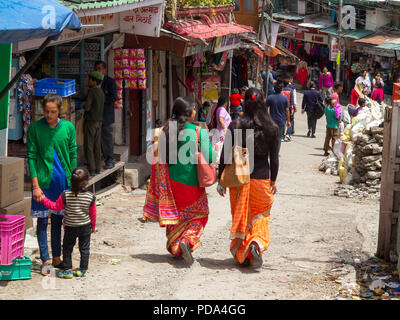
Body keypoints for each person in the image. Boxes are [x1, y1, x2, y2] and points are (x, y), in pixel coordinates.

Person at [143, 97, 217, 265]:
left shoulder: (164, 130)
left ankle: (176, 245)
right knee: (200, 214)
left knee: (175, 216)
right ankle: (187, 240)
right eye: (194, 109)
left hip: (169, 185)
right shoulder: (198, 132)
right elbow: (211, 156)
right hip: (191, 184)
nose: (196, 112)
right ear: (188, 114)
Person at [216, 88, 279, 268]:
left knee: (242, 215)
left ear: (244, 102)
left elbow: (226, 155)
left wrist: (221, 179)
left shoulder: (235, 125)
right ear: (263, 103)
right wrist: (273, 180)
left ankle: (244, 252)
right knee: (260, 215)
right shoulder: (273, 128)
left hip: (238, 180)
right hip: (261, 179)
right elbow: (273, 159)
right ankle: (256, 243)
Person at [26, 93, 77, 275]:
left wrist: (74, 183)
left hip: (63, 184)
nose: (48, 115)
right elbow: (31, 157)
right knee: (41, 222)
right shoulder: (35, 128)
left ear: (60, 111)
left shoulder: (69, 128)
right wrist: (35, 186)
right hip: (42, 183)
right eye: (46, 111)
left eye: (53, 112)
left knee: (57, 221)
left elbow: (72, 154)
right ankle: (45, 259)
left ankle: (57, 257)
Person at [41, 168, 96, 279]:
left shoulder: (65, 195)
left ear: (70, 180)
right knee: (84, 248)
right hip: (85, 227)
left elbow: (55, 207)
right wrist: (93, 227)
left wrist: (43, 199)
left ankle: (67, 270)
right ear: (87, 181)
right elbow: (93, 214)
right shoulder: (91, 196)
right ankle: (82, 269)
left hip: (70, 227)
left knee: (67, 248)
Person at [95, 61, 118, 170]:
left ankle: (110, 160)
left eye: (100, 68)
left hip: (106, 116)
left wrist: (101, 100)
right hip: (96, 116)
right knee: (97, 139)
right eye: (96, 69)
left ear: (104, 70)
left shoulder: (110, 82)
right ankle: (100, 160)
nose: (98, 71)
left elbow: (113, 98)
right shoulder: (94, 82)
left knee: (106, 139)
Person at [84, 71, 105, 176]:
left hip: (91, 121)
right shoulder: (101, 92)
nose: (88, 81)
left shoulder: (92, 91)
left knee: (89, 145)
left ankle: (91, 168)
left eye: (89, 79)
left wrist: (84, 106)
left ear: (94, 81)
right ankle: (98, 168)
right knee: (97, 145)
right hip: (99, 121)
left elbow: (87, 106)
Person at [266, 82, 290, 152]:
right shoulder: (285, 98)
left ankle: (270, 151)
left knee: (271, 137)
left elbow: (266, 109)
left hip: (271, 121)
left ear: (274, 89)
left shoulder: (269, 97)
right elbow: (287, 110)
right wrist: (288, 121)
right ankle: (276, 152)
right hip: (281, 121)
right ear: (281, 90)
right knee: (279, 137)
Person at [210, 96, 232, 163]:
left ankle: (216, 161)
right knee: (220, 147)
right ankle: (217, 162)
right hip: (222, 132)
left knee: (218, 146)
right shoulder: (222, 109)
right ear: (225, 103)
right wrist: (225, 129)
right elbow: (221, 119)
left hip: (220, 131)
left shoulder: (219, 109)